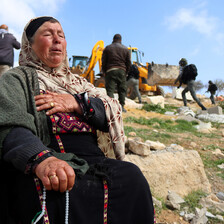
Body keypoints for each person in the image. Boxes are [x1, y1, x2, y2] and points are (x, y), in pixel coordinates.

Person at [0, 16, 154, 224]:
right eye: (47, 34)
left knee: (131, 178)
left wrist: (77, 102)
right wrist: (42, 159)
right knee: (53, 190)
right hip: (50, 157)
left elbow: (111, 107)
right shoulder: (17, 79)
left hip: (94, 161)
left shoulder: (79, 84)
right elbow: (11, 124)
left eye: (61, 35)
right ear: (29, 44)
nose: (57, 39)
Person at [102, 34, 131, 113]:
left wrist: (104, 71)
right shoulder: (125, 49)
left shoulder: (108, 48)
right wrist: (126, 72)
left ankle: (111, 107)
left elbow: (103, 61)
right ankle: (121, 106)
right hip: (122, 70)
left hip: (110, 70)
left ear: (113, 39)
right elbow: (128, 62)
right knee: (122, 89)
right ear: (121, 40)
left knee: (110, 89)